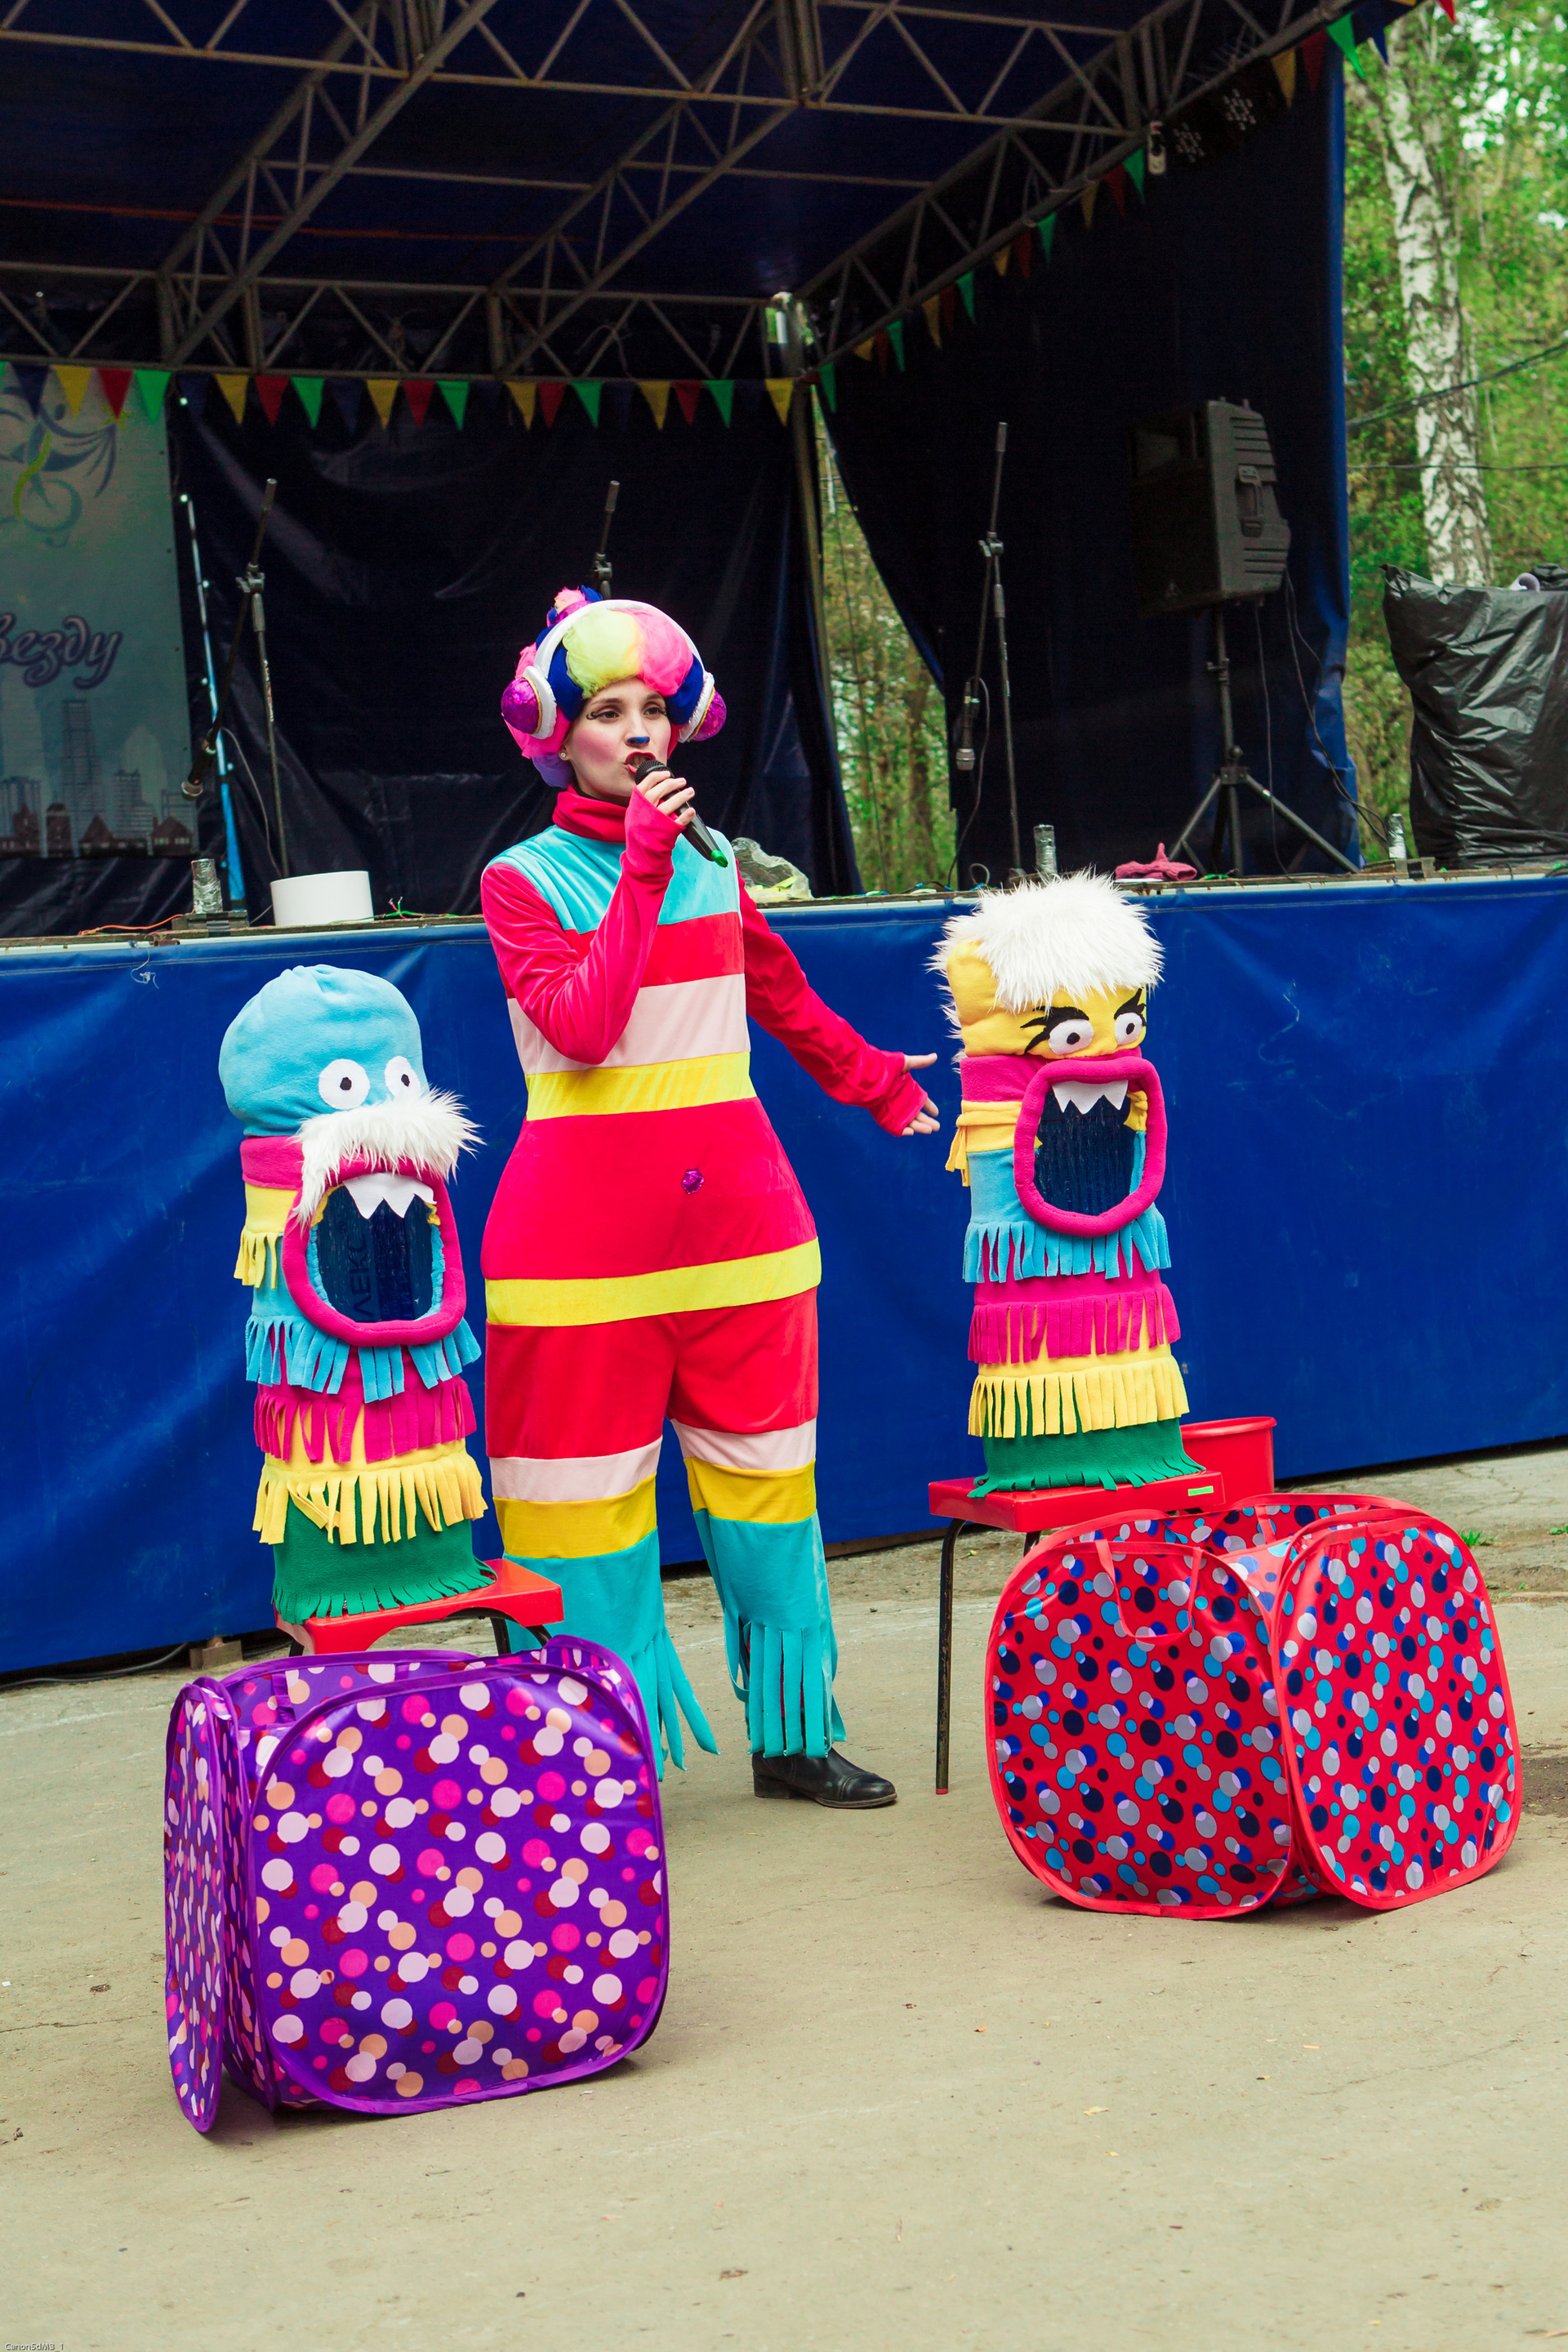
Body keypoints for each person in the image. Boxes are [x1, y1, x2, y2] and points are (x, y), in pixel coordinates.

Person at [479, 586, 938, 1808]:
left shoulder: (718, 863)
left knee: (770, 1495)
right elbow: (581, 1028)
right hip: (580, 1261)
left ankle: (794, 1733)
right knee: (580, 1518)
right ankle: (593, 1762)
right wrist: (640, 868)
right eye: (606, 711)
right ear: (557, 733)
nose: (637, 732)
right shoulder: (519, 882)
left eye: (654, 709)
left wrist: (875, 1080)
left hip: (744, 1239)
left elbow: (777, 991)